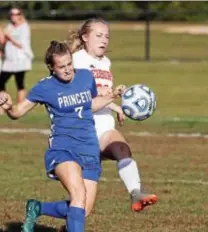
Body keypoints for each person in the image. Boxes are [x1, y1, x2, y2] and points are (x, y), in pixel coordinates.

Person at [0, 40, 122, 232]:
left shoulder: (85, 77)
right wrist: (7, 106)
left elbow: (90, 104)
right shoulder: (44, 87)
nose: (67, 69)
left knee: (82, 209)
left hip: (89, 148)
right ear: (51, 68)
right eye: (61, 66)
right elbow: (17, 112)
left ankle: (38, 207)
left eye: (69, 64)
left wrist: (113, 97)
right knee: (78, 195)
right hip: (63, 148)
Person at [67, 18, 158, 212]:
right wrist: (111, 95)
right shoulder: (77, 60)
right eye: (99, 35)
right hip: (83, 131)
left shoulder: (105, 62)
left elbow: (102, 92)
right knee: (83, 207)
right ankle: (44, 212)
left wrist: (116, 106)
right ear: (85, 37)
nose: (104, 40)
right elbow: (79, 94)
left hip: (104, 126)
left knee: (122, 149)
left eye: (107, 36)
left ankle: (136, 193)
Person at [0, 7, 34, 113]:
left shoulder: (24, 27)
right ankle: (2, 106)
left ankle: (20, 108)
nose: (14, 16)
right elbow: (4, 40)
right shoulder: (9, 26)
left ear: (20, 15)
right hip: (9, 59)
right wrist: (1, 49)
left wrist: (9, 37)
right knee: (1, 82)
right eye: (12, 14)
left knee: (19, 83)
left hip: (20, 59)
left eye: (16, 14)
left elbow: (21, 44)